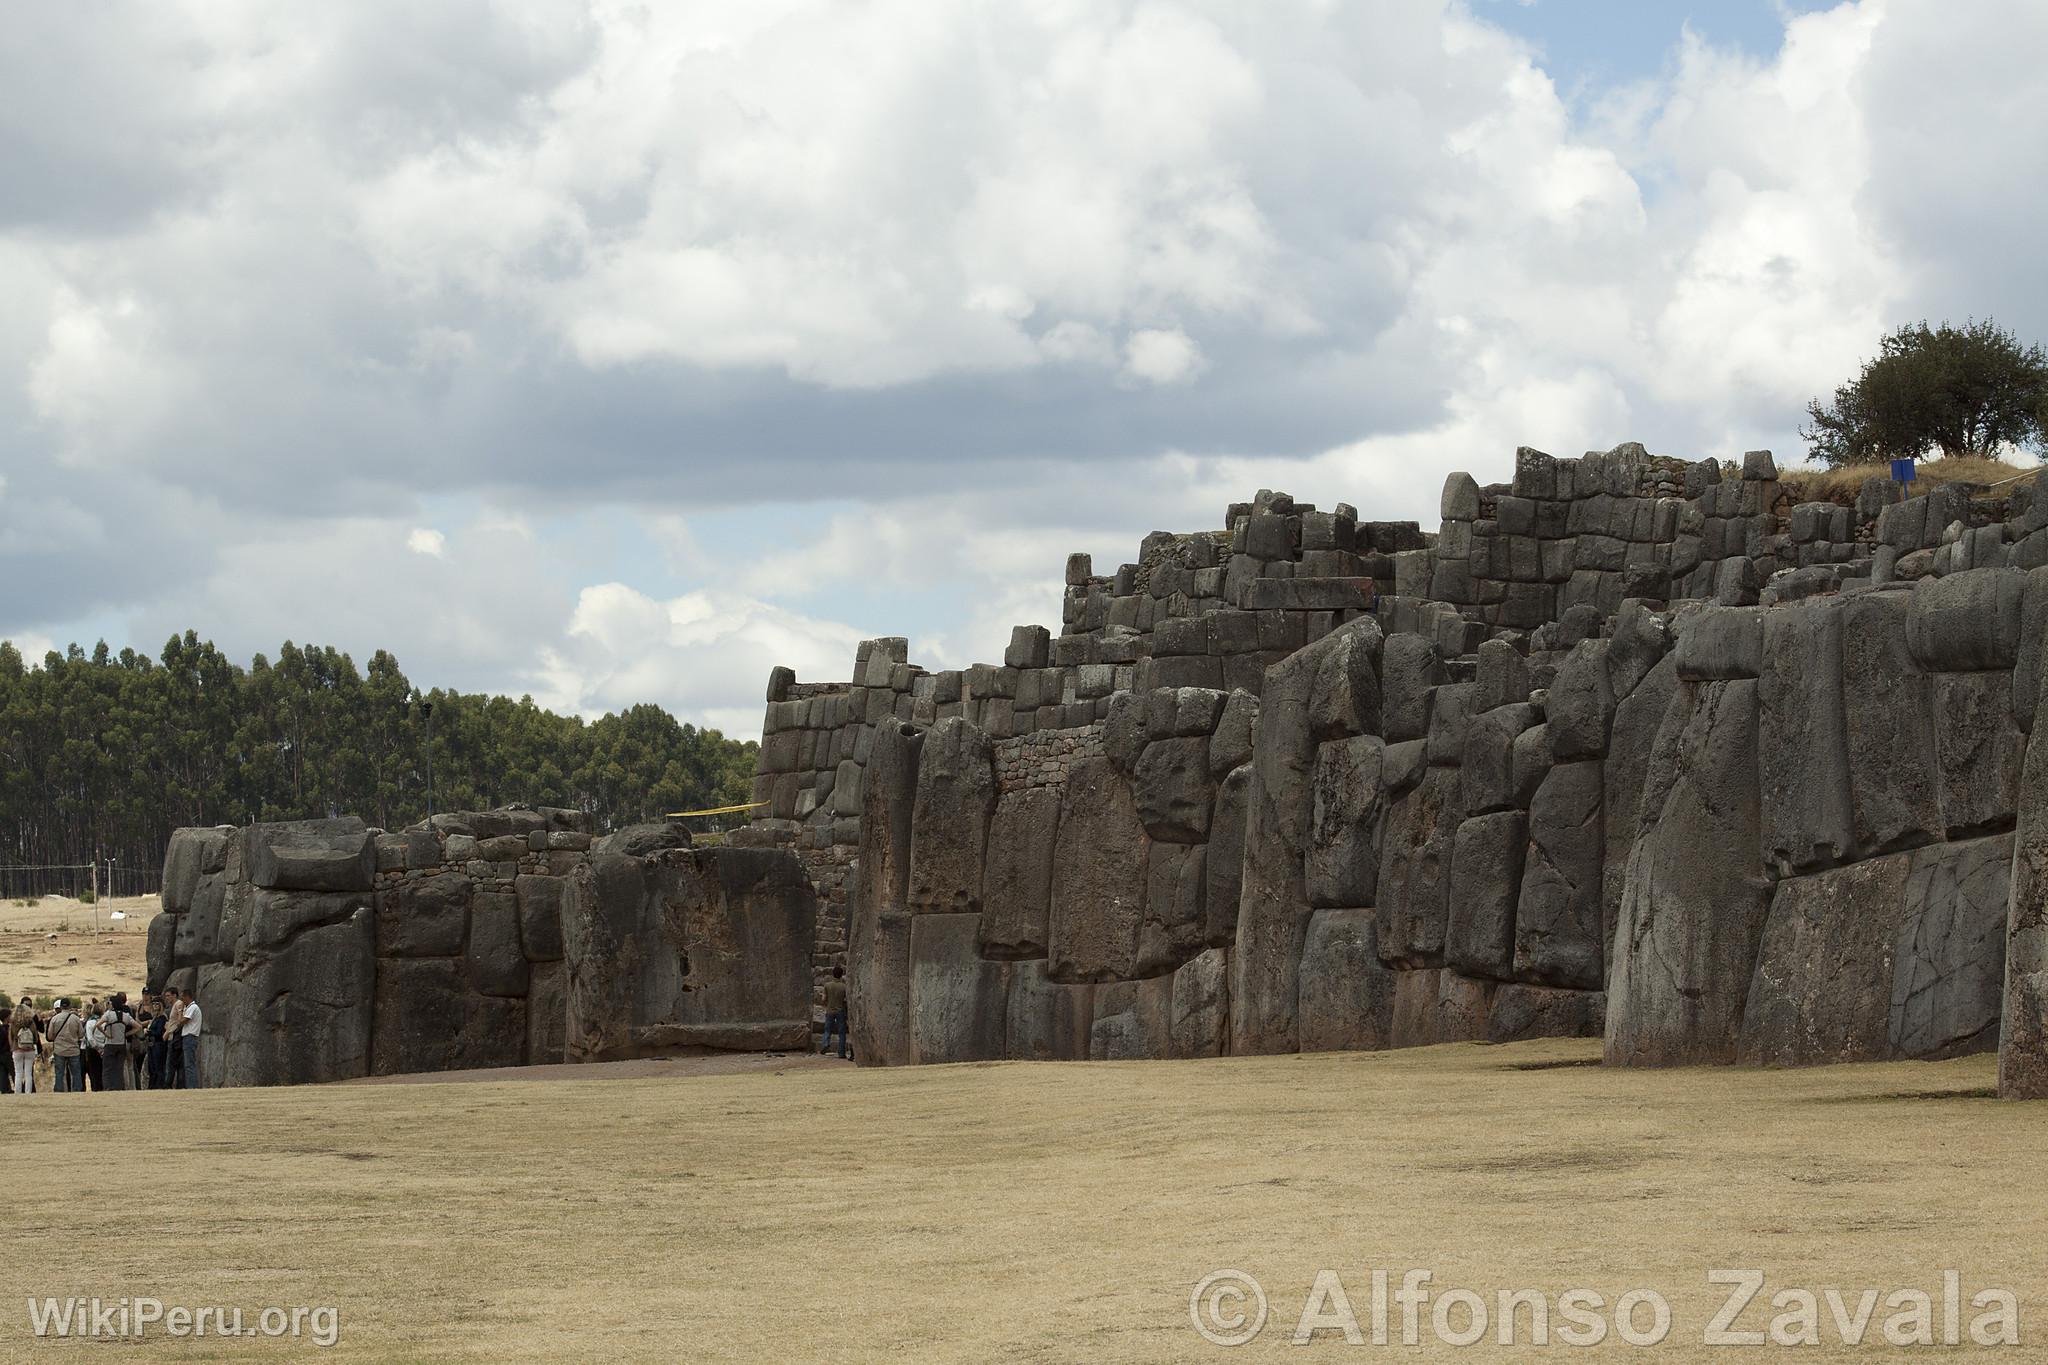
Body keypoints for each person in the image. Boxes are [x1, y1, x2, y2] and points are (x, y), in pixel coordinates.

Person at [46, 999, 83, 1094]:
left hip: (59, 1050)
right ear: (70, 1006)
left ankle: (59, 1091)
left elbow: (50, 1036)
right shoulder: (75, 1019)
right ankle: (77, 1091)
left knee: (59, 1073)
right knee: (76, 1073)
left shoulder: (55, 1019)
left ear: (61, 1007)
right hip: (73, 1050)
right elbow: (81, 1035)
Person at [97, 997, 131, 1090]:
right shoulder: (126, 1015)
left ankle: (108, 1087)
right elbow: (138, 1026)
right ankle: (119, 1087)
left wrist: (106, 1034)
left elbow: (98, 1025)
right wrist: (126, 1034)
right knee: (119, 1068)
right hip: (121, 1044)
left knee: (107, 1068)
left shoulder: (108, 1015)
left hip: (110, 1044)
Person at [9, 999, 38, 1094]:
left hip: (17, 1049)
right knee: (28, 1073)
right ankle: (28, 1093)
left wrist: (13, 1047)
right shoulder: (31, 1022)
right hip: (30, 1050)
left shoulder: (13, 1023)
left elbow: (11, 1036)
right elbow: (35, 1037)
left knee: (18, 1073)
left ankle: (18, 1092)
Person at [820, 965, 849, 1059]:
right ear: (841, 975)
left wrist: (825, 1003)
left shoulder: (827, 985)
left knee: (827, 1029)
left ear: (833, 974)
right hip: (840, 1010)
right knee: (842, 1032)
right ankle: (841, 1053)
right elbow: (846, 1000)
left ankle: (825, 1043)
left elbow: (824, 999)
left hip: (830, 1010)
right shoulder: (844, 987)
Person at [177, 987, 203, 1088]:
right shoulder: (190, 1008)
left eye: (183, 998)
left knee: (189, 1065)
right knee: (188, 1064)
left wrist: (180, 1011)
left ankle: (192, 1086)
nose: (182, 1001)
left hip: (190, 1037)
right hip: (188, 1038)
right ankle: (191, 1085)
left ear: (188, 997)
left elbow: (182, 1021)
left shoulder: (193, 1007)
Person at [82, 1003, 104, 1093]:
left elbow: (90, 1038)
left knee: (94, 1072)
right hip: (103, 1049)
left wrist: (96, 1047)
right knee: (102, 1071)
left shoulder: (90, 1022)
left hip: (92, 1050)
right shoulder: (104, 1021)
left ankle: (95, 1090)